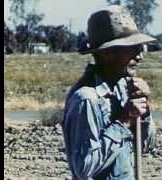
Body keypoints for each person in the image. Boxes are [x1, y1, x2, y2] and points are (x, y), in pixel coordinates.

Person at [62, 5, 156, 180]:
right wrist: (124, 121)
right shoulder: (86, 99)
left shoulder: (124, 88)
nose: (139, 55)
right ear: (107, 53)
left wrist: (143, 111)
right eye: (132, 48)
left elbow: (145, 145)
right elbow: (84, 168)